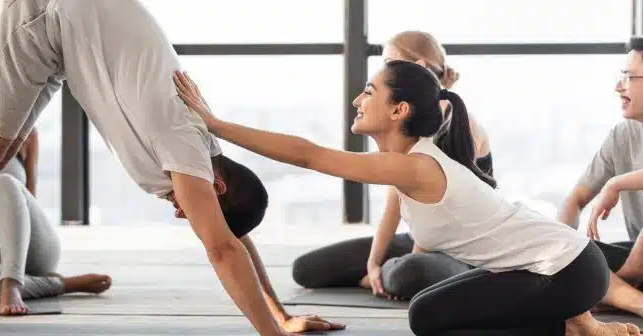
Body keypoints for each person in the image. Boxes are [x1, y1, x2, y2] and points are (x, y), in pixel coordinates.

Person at [0, 1, 341, 335]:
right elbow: (221, 247)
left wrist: (281, 315)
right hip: (47, 12)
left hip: (63, 34)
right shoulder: (183, 143)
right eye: (189, 212)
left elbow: (231, 236)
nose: (183, 213)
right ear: (217, 186)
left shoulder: (204, 153)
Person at [173, 60, 640, 334]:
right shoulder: (414, 162)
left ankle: (575, 329)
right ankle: (583, 326)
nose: (358, 99)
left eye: (369, 92)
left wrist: (216, 125)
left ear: (398, 111)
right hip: (567, 267)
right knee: (432, 304)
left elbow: (310, 156)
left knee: (427, 315)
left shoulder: (413, 165)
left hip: (571, 271)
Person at [291, 31, 492, 301]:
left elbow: (437, 220)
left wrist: (402, 263)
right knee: (306, 270)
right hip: (419, 238)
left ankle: (388, 276)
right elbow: (393, 204)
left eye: (390, 62)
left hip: (462, 249)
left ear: (418, 67)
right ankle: (381, 275)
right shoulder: (410, 125)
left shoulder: (460, 126)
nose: (385, 71)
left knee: (407, 274)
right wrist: (373, 264)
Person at [0, 45, 112, 317]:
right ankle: (59, 285)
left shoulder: (24, 135)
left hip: (32, 241)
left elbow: (28, 195)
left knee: (4, 184)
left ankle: (12, 283)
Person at [559, 35, 643, 318]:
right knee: (549, 255)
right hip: (637, 256)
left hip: (639, 263)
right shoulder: (623, 135)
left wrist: (616, 182)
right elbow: (576, 199)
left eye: (629, 78)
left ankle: (624, 291)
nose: (619, 87)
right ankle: (627, 293)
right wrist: (563, 245)